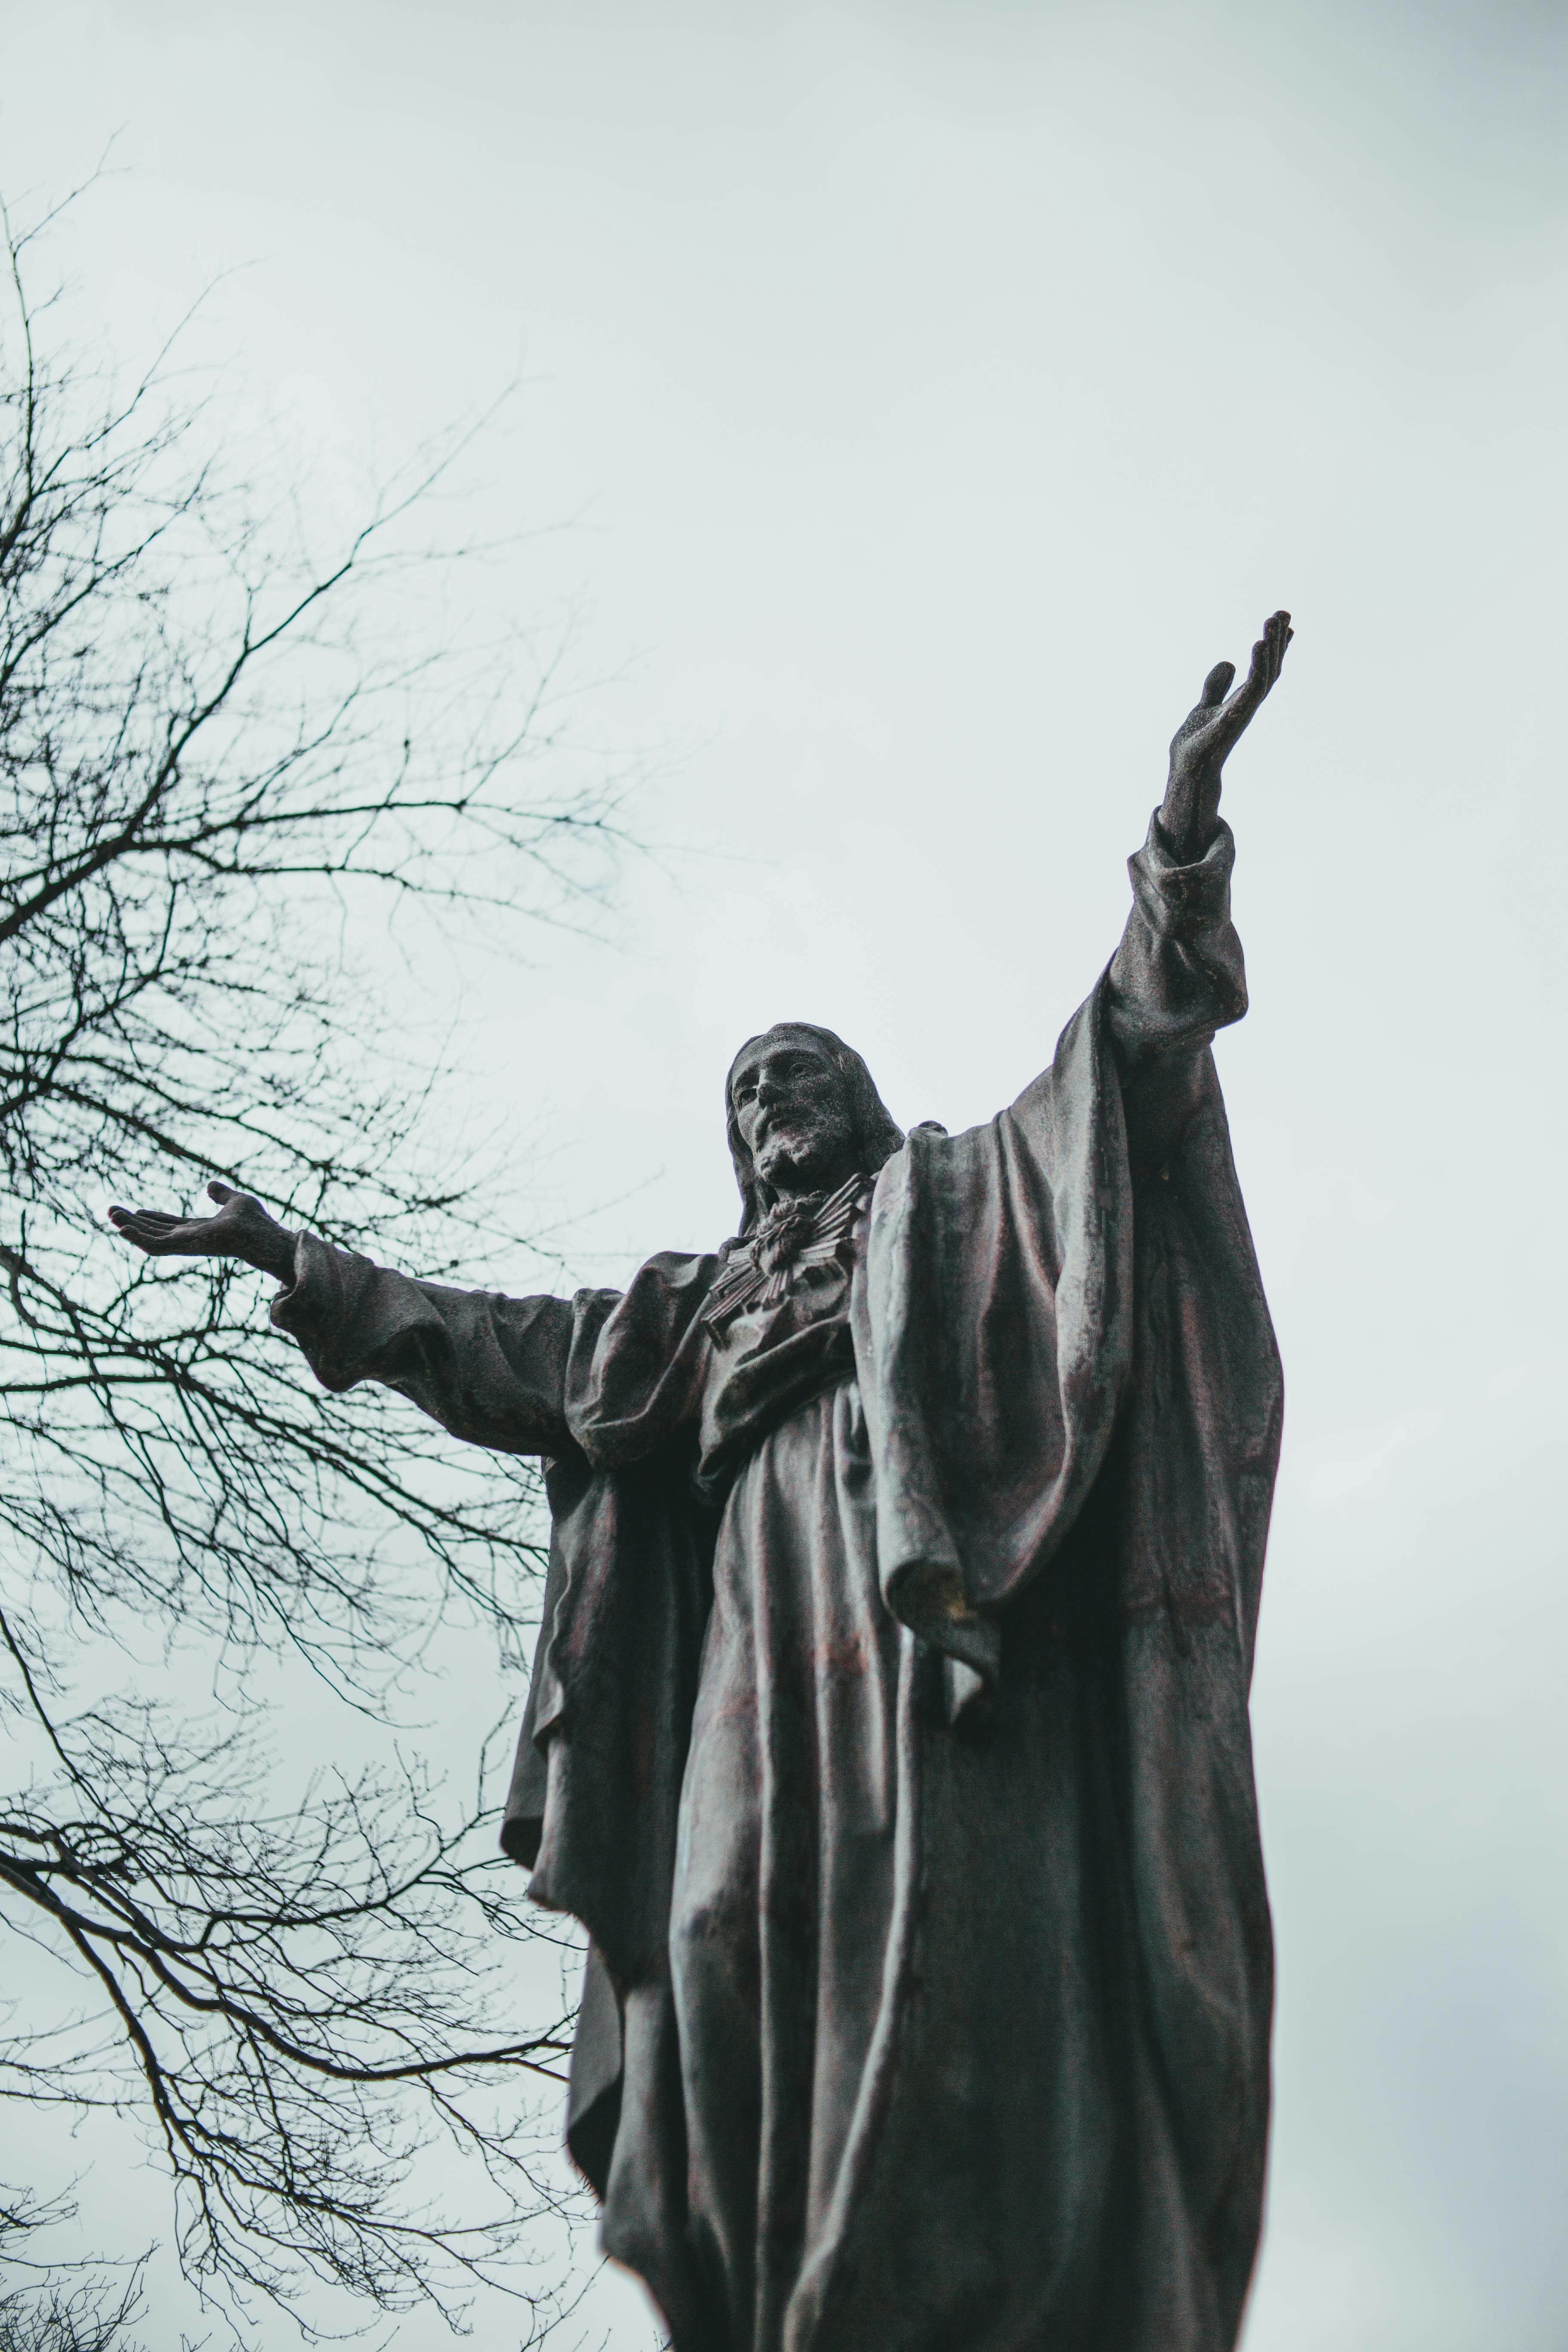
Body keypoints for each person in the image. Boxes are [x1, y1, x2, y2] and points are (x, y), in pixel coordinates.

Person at [112, 611, 1291, 2352]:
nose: (771, 1101)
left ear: (868, 1108)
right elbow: (500, 1347)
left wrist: (1178, 842)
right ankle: (780, 2296)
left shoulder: (955, 1202)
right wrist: (300, 1258)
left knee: (937, 1939)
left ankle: (939, 2292)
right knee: (726, 1930)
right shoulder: (679, 1312)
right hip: (751, 1628)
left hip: (930, 1612)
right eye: (746, 1094)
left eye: (802, 1075)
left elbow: (1123, 1058)